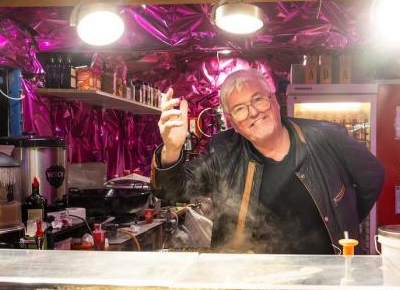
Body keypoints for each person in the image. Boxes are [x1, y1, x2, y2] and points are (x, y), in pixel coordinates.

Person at [151, 69, 384, 254]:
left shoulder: (327, 137)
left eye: (258, 100)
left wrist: (343, 218)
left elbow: (372, 177)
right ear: (232, 122)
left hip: (328, 276)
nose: (253, 113)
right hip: (251, 285)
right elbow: (172, 191)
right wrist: (172, 148)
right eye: (240, 109)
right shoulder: (223, 150)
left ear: (275, 101)